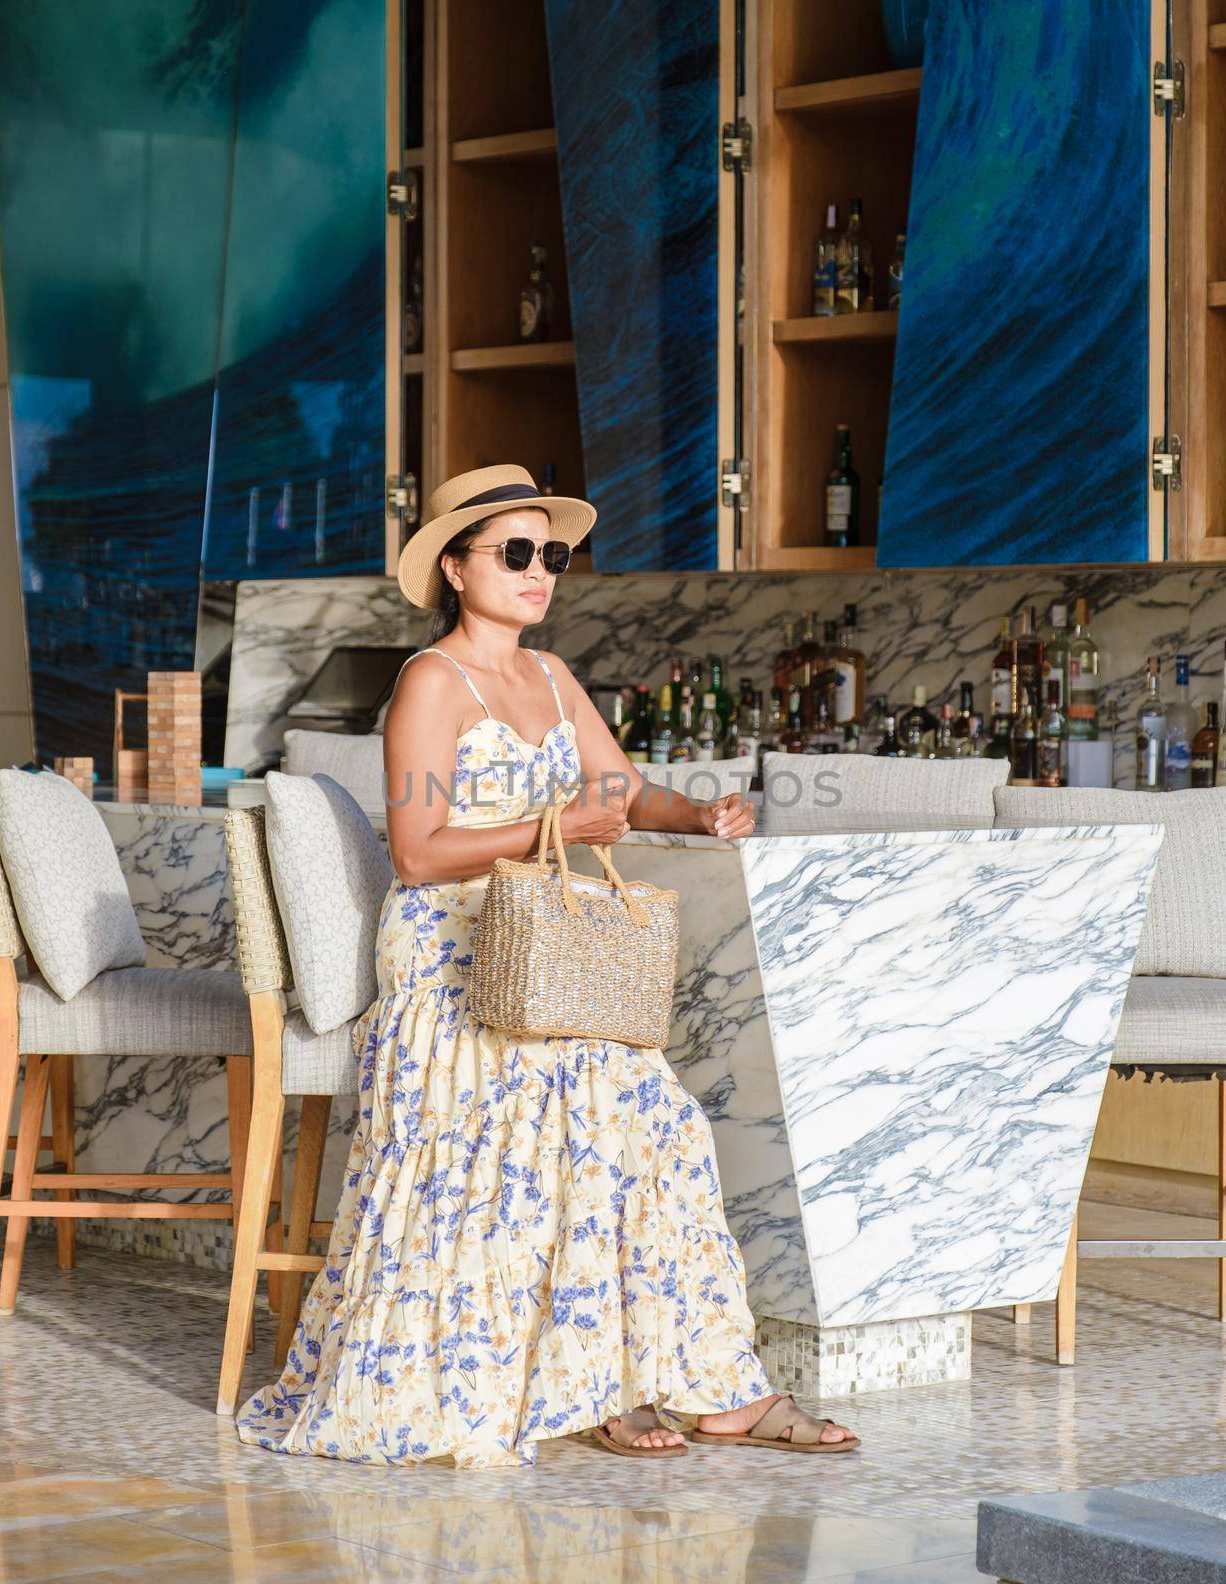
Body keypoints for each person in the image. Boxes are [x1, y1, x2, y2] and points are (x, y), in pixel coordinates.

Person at [234, 464, 859, 1466]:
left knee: (666, 1123)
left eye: (552, 554)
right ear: (453, 566)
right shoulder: (431, 683)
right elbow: (418, 851)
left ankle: (721, 1389)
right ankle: (603, 1387)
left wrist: (692, 811)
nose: (539, 573)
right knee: (586, 1120)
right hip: (456, 965)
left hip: (549, 953)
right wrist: (552, 826)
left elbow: (621, 785)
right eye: (514, 553)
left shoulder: (555, 678)